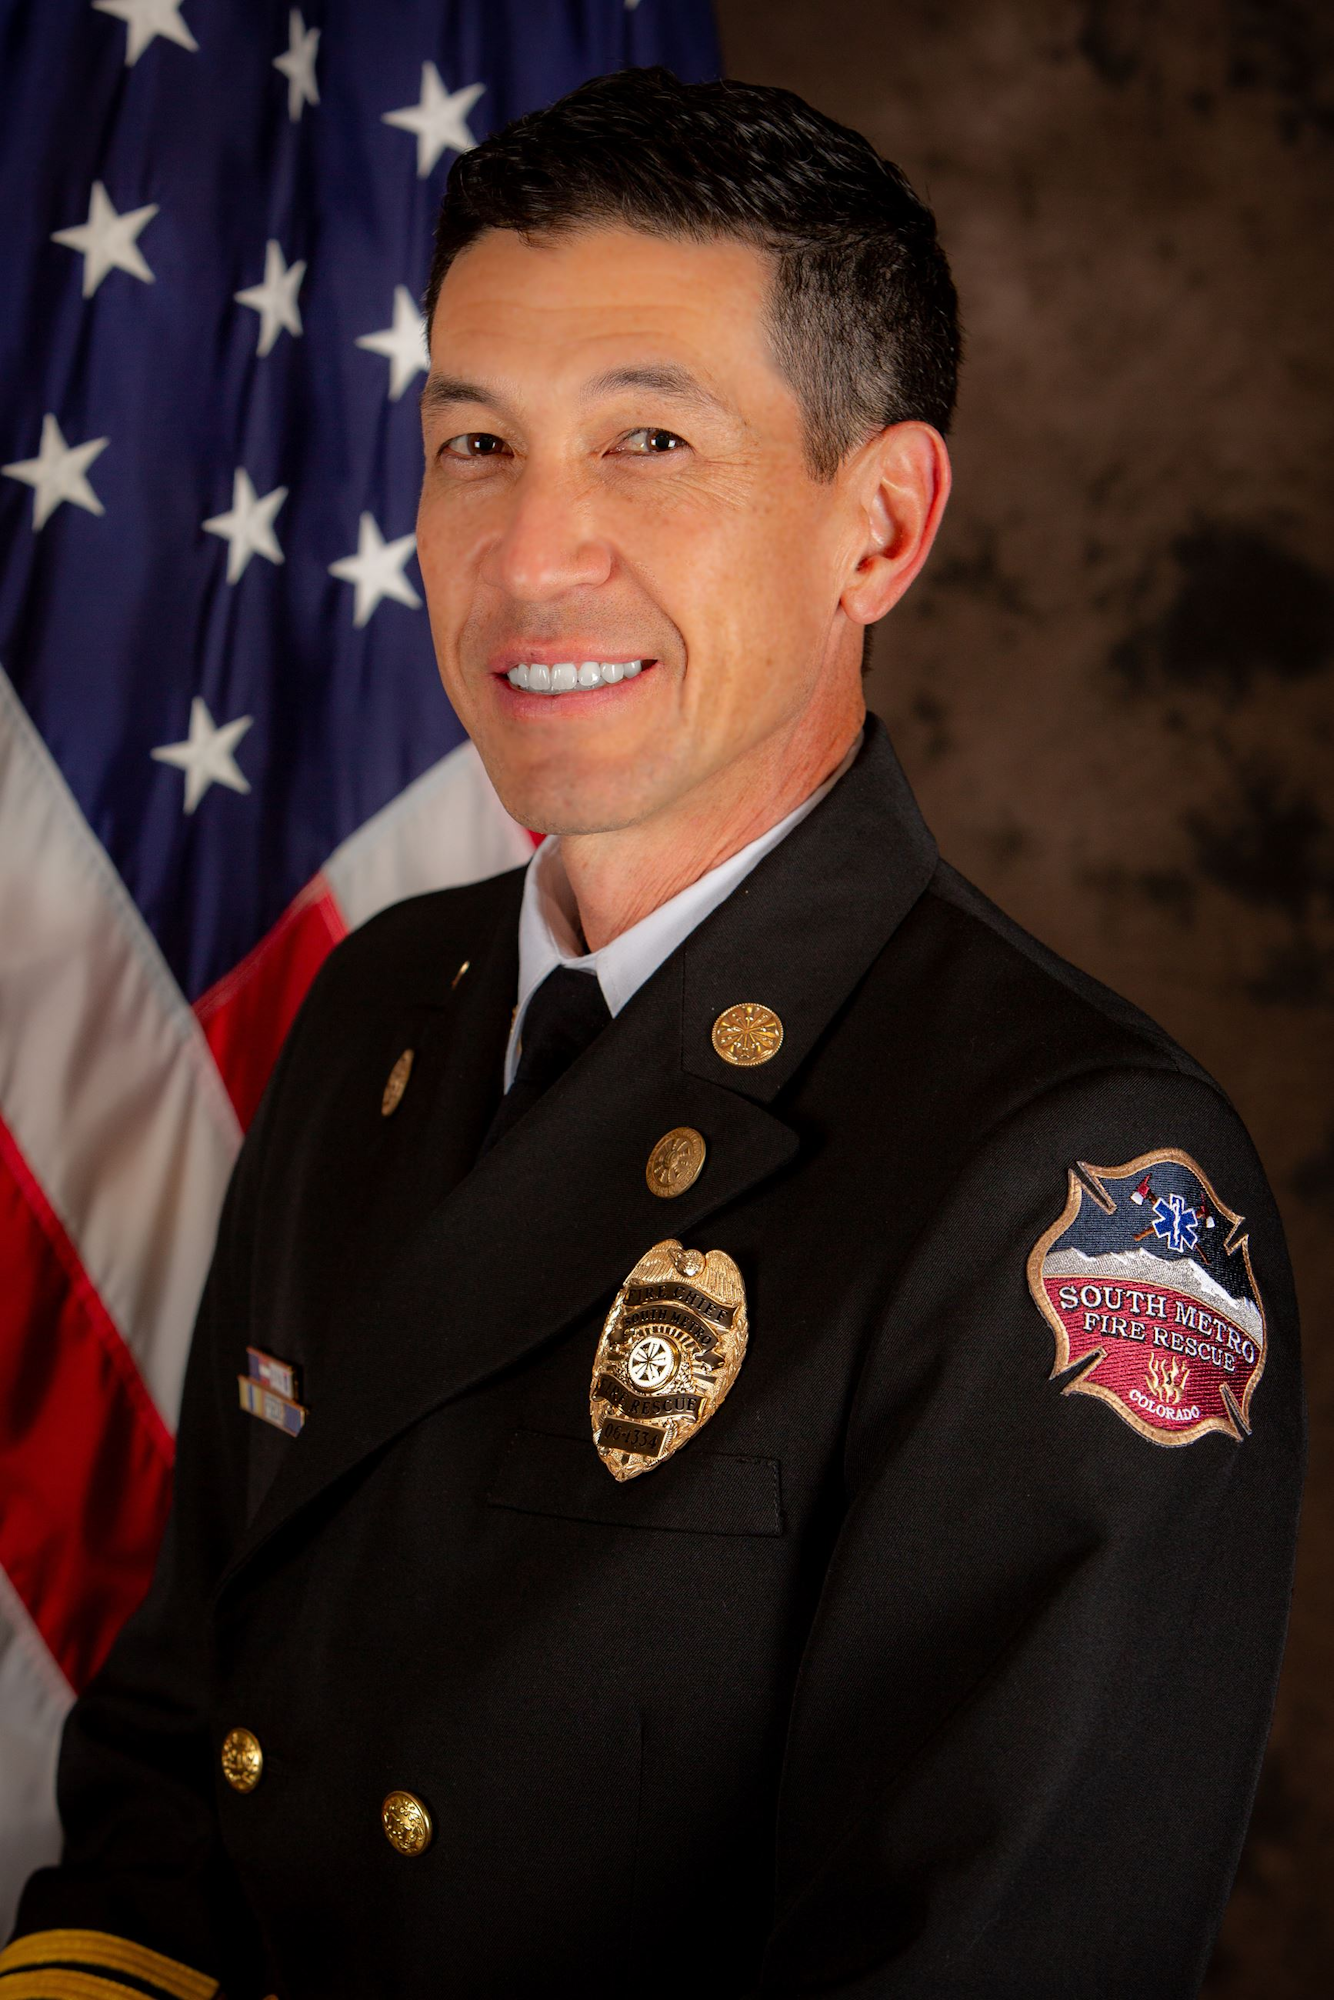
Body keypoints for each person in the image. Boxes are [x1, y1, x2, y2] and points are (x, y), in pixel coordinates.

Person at [3, 66, 1302, 2000]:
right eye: (474, 444)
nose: (530, 556)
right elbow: (190, 1732)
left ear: (878, 527)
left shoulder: (1061, 1179)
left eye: (650, 442)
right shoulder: (383, 1005)